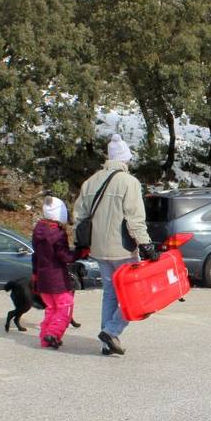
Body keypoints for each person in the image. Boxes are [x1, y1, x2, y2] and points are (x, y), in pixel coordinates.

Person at [74, 134, 158, 357]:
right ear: (125, 160)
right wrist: (146, 245)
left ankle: (106, 343)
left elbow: (79, 217)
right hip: (122, 249)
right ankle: (111, 331)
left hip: (99, 249)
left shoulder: (90, 182)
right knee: (136, 295)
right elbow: (135, 219)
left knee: (110, 293)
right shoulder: (129, 183)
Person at [32, 196, 76, 350]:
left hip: (43, 277)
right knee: (65, 306)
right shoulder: (58, 233)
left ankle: (45, 338)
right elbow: (64, 256)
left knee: (51, 308)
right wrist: (79, 254)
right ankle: (53, 333)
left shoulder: (38, 230)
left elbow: (35, 256)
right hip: (57, 278)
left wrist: (35, 275)